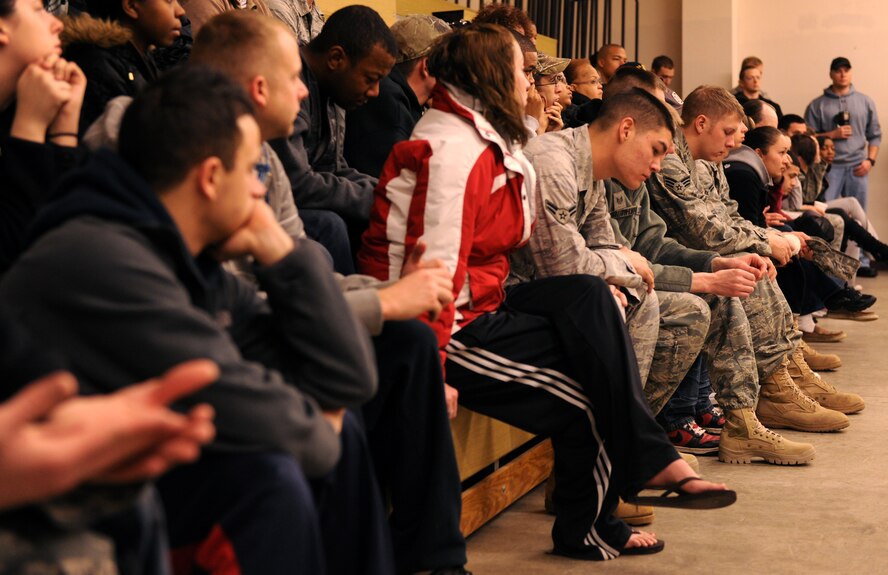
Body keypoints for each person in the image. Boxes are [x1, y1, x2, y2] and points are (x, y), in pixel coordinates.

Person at [359, 23, 735, 561]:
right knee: (591, 390)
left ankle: (640, 462)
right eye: (522, 71)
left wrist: (611, 277)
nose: (532, 83)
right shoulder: (451, 150)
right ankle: (611, 499)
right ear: (490, 76)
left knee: (590, 298)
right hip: (446, 322)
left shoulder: (490, 142)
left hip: (486, 300)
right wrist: (432, 364)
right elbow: (430, 265)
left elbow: (578, 261)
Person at [1, 65, 396, 574]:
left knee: (330, 440)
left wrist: (278, 249)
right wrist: (319, 421)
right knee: (268, 476)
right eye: (256, 172)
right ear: (211, 178)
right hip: (65, 511)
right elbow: (307, 434)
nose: (262, 193)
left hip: (131, 494)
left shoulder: (188, 257)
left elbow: (349, 378)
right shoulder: (102, 259)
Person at [190, 13, 468, 573]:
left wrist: (393, 290)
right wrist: (382, 300)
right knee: (341, 376)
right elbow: (244, 307)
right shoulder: (170, 145)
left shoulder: (263, 158)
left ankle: (434, 557)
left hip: (268, 323)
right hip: (230, 345)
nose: (304, 89)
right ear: (258, 87)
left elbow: (299, 274)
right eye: (294, 75)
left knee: (409, 342)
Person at [648, 85, 861, 440]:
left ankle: (785, 374)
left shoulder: (705, 159)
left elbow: (726, 215)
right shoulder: (672, 160)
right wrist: (765, 242)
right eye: (729, 132)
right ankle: (769, 394)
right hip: (680, 257)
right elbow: (699, 228)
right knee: (743, 275)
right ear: (701, 123)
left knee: (755, 267)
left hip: (690, 253)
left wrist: (764, 243)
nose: (733, 144)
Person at [269, 5, 398, 274]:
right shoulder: (289, 85)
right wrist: (376, 200)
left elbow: (334, 168)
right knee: (330, 224)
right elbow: (297, 184)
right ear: (336, 59)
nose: (375, 92)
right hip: (270, 206)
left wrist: (391, 193)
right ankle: (354, 307)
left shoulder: (334, 91)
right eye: (370, 79)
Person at [0, 0, 85, 274]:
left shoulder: (17, 106)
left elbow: (68, 237)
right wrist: (31, 126)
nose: (58, 22)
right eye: (38, 11)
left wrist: (64, 130)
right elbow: (23, 263)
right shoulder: (23, 113)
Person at [344, 14, 450, 178]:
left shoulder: (401, 99)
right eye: (449, 63)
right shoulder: (390, 106)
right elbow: (392, 187)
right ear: (427, 66)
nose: (455, 74)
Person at [62, 0, 184, 134]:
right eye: (169, 1)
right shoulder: (98, 66)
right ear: (131, 6)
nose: (181, 11)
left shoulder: (139, 56)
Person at [805, 57, 881, 210]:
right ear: (831, 74)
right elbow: (807, 138)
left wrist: (870, 161)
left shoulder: (865, 102)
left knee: (858, 213)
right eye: (838, 71)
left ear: (851, 73)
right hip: (828, 169)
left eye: (846, 71)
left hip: (858, 167)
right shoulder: (817, 105)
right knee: (825, 211)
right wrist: (832, 134)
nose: (843, 74)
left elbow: (875, 135)